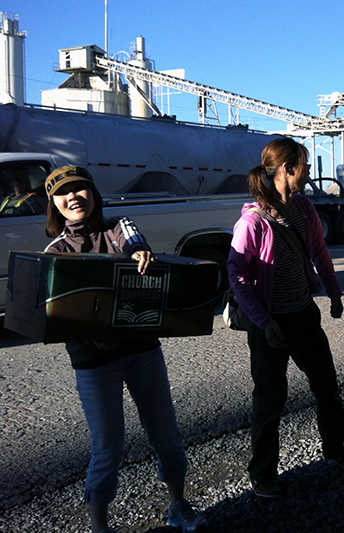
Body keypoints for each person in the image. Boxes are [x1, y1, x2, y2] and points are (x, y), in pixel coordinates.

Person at [42, 166, 207, 533]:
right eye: (62, 193)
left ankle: (178, 505)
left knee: (167, 435)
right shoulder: (55, 251)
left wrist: (140, 253)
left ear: (93, 193)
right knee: (108, 448)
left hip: (143, 351)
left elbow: (135, 242)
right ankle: (100, 527)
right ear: (54, 204)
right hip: (93, 362)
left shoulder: (119, 227)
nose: (73, 198)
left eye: (80, 189)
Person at [227, 137, 344, 499]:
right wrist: (262, 320)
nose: (308, 172)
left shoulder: (304, 208)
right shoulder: (253, 222)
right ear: (288, 168)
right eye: (304, 165)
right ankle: (263, 475)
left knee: (327, 388)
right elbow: (237, 275)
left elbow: (319, 251)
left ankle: (336, 450)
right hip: (270, 324)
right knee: (270, 400)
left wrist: (334, 292)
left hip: (304, 314)